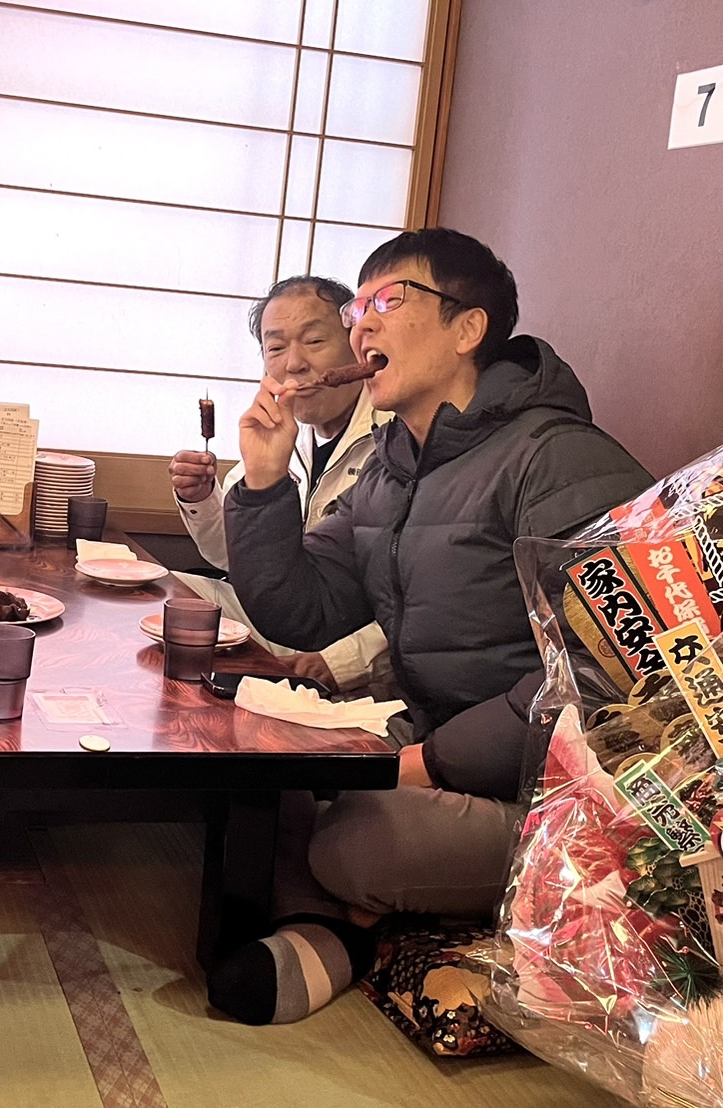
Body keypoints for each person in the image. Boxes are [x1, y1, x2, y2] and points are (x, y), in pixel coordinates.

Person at [210, 227, 652, 1026]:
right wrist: (266, 482)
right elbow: (301, 609)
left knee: (359, 839)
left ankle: (342, 914)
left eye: (389, 300)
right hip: (429, 745)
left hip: (554, 791)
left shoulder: (558, 457)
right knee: (256, 766)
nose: (362, 327)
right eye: (358, 310)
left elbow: (607, 668)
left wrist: (433, 762)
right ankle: (335, 926)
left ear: (467, 327)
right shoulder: (392, 471)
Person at [168, 276, 392, 695]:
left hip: (350, 648)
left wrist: (341, 661)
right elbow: (235, 560)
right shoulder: (280, 433)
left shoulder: (397, 437)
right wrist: (201, 498)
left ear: (356, 344)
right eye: (275, 348)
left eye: (314, 341)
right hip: (276, 621)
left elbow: (420, 598)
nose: (294, 364)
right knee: (165, 595)